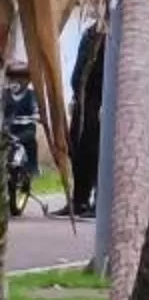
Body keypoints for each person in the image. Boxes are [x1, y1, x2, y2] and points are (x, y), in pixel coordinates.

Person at [57, 20, 101, 219]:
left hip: (99, 100)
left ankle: (99, 202)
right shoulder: (90, 33)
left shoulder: (113, 36)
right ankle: (78, 200)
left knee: (97, 151)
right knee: (77, 149)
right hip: (82, 99)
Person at [4, 61, 38, 206]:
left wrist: (37, 115)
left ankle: (31, 167)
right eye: (12, 78)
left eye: (21, 78)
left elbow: (37, 108)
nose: (16, 81)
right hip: (9, 128)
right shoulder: (4, 94)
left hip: (25, 127)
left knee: (30, 141)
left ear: (28, 80)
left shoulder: (32, 95)